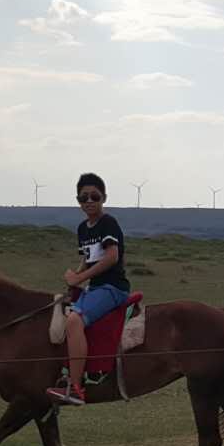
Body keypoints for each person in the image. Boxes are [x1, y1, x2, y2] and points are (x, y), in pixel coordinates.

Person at [46, 172, 131, 406]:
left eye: (94, 196)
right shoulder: (83, 228)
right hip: (94, 288)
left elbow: (112, 257)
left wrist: (81, 277)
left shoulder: (108, 223)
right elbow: (88, 258)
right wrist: (74, 279)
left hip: (113, 287)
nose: (89, 201)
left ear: (104, 197)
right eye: (84, 198)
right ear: (78, 201)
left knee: (74, 321)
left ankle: (75, 387)